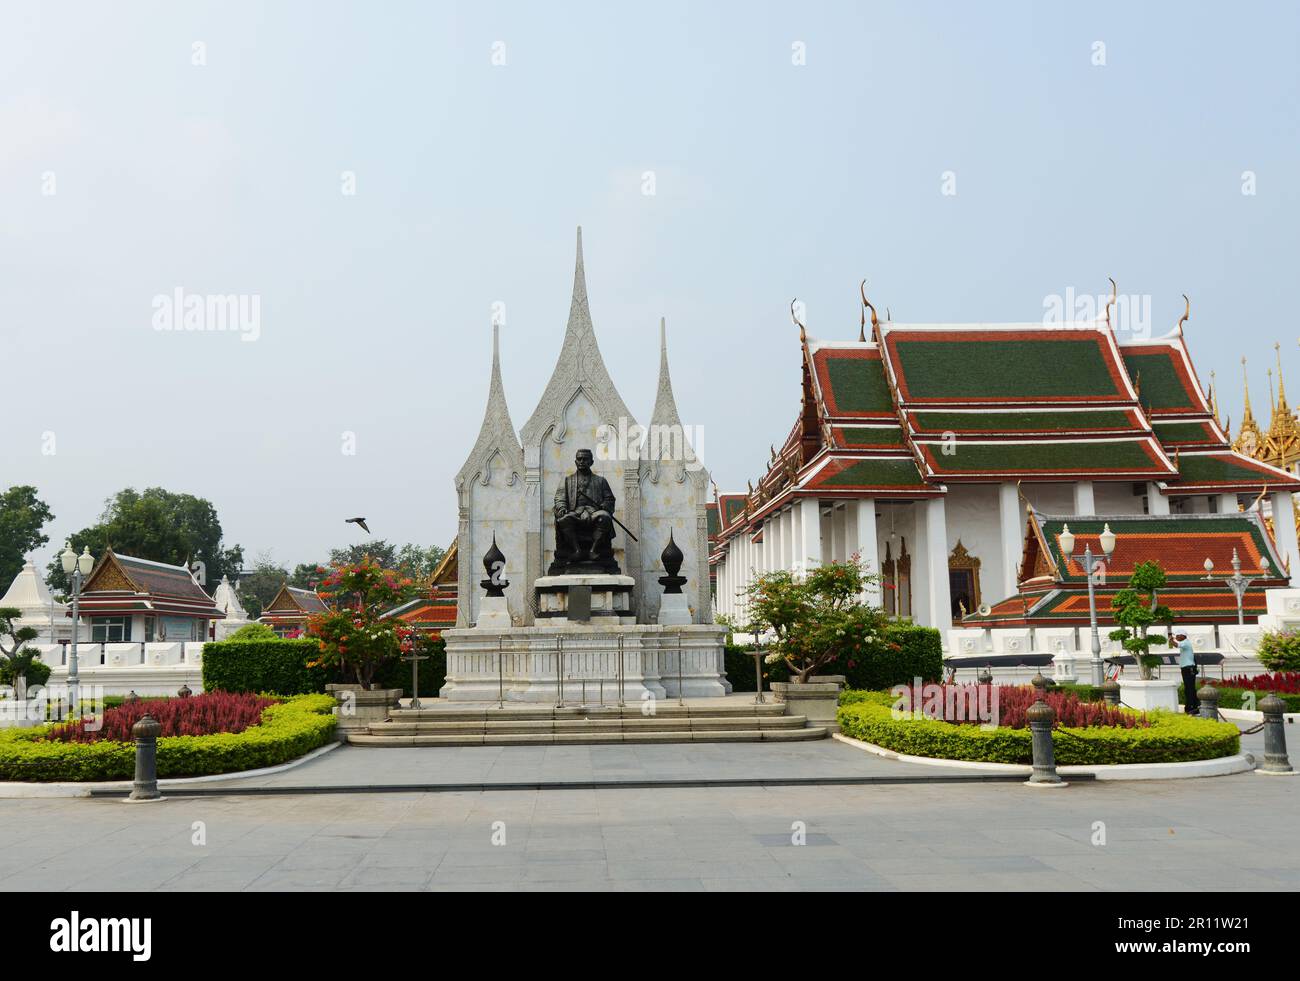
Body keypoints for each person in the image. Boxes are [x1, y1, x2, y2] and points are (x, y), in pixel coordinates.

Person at [1175, 631, 1200, 715]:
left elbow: (1176, 645)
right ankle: (1192, 707)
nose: (1177, 637)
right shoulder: (1184, 643)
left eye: (1178, 635)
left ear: (1183, 636)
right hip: (1186, 669)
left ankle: (1191, 708)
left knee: (1189, 689)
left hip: (1188, 668)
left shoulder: (1185, 643)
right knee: (1189, 688)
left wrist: (1171, 640)